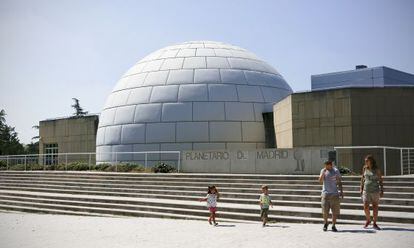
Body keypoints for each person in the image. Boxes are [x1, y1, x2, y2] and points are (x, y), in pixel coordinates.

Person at [318, 160, 343, 232]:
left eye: (327, 165)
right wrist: (323, 173)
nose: (325, 167)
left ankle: (333, 225)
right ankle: (326, 223)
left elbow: (339, 181)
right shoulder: (323, 170)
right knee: (325, 211)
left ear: (331, 165)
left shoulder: (336, 171)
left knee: (334, 212)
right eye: (325, 165)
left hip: (334, 194)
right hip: (325, 194)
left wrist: (341, 191)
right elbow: (320, 181)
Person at [360, 155, 384, 230]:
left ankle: (374, 223)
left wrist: (382, 190)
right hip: (366, 190)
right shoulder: (364, 168)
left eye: (367, 160)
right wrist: (361, 188)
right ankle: (368, 220)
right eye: (365, 161)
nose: (366, 162)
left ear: (371, 161)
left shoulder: (377, 169)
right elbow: (362, 178)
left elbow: (380, 180)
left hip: (375, 191)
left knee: (375, 206)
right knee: (365, 206)